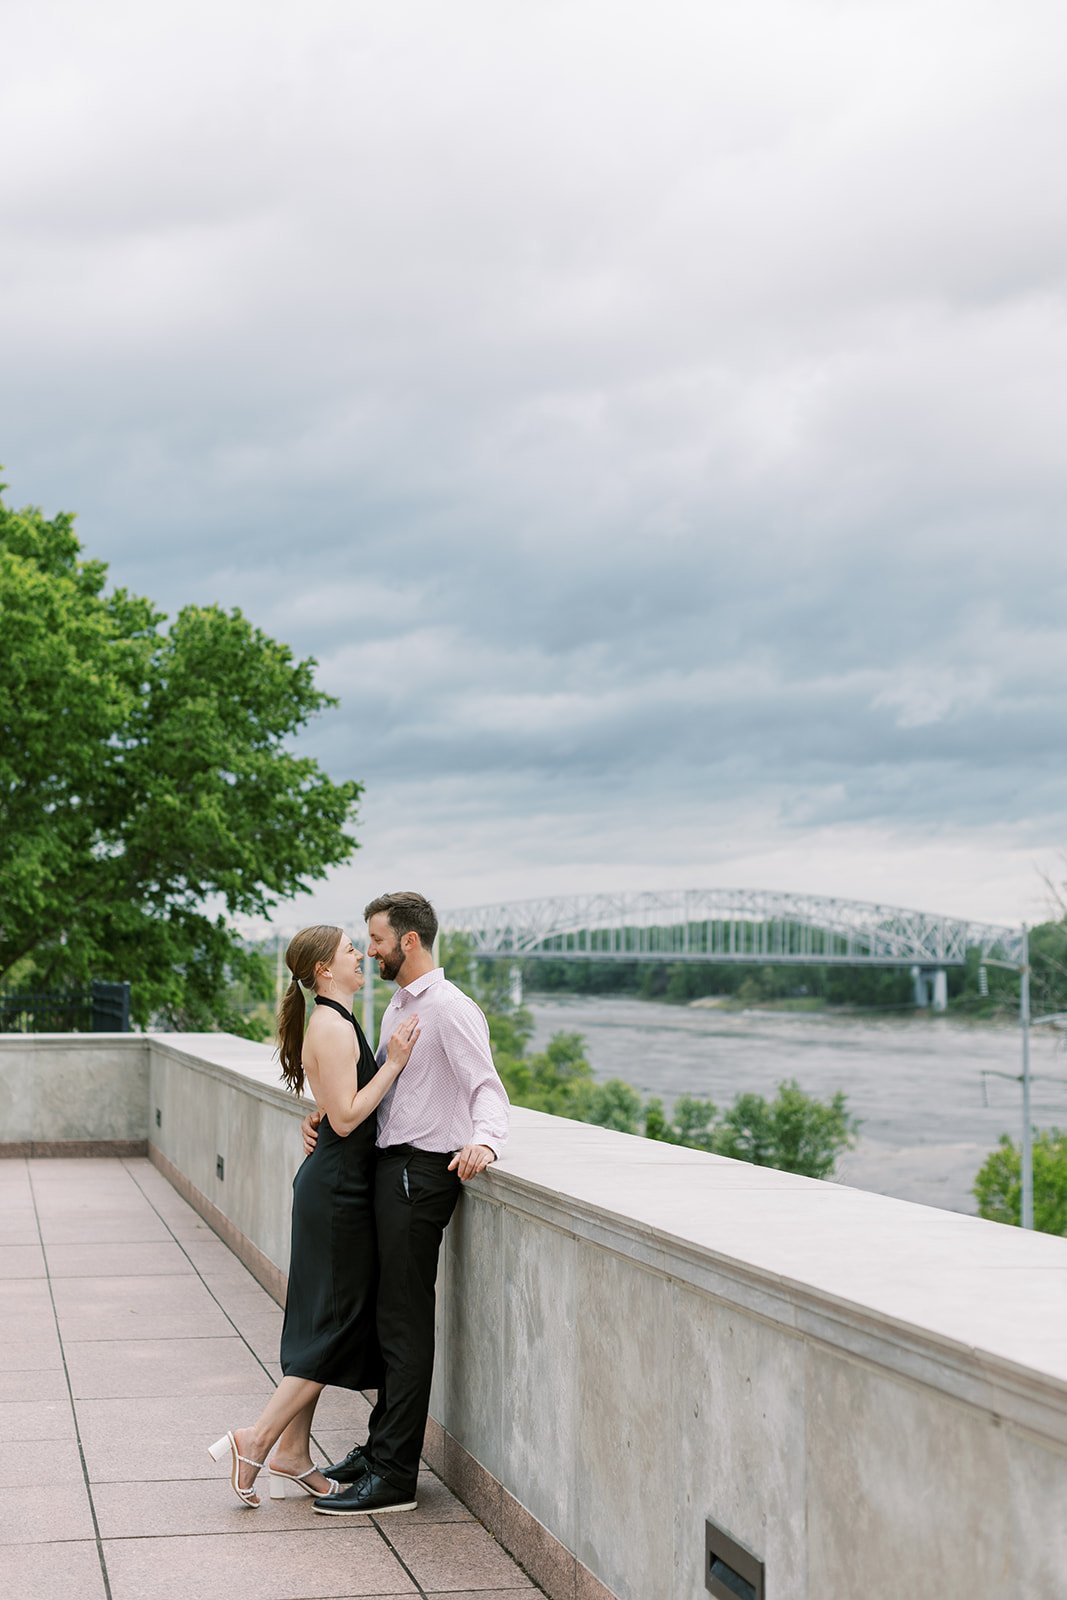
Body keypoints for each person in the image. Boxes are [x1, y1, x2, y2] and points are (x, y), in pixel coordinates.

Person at [300, 890, 510, 1517]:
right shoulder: (398, 1007)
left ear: (410, 941)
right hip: (390, 1171)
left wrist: (485, 1141)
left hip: (423, 1176)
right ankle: (379, 1449)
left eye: (379, 940)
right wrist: (326, 1119)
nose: (370, 950)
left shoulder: (449, 1008)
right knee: (388, 1322)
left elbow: (487, 1088)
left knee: (405, 1324)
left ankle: (394, 1476)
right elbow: (382, 1096)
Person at [208, 924, 421, 1508]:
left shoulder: (337, 1020)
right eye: (351, 949)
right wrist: (396, 1062)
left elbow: (332, 1110)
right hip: (338, 1196)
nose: (360, 955)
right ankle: (255, 1440)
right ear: (325, 970)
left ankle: (294, 1455)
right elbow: (349, 1118)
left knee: (322, 1324)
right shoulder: (331, 1025)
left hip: (338, 1185)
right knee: (334, 1326)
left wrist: (322, 1118)